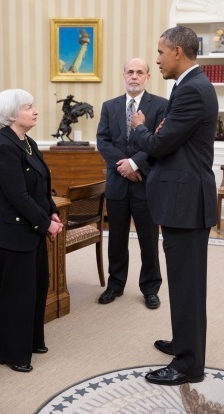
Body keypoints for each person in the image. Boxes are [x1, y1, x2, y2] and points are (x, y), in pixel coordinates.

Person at [131, 26, 218, 385]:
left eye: (160, 52)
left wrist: (140, 128)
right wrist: (157, 132)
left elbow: (161, 143)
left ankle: (189, 365)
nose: (157, 59)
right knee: (183, 282)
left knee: (187, 285)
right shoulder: (188, 87)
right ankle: (185, 344)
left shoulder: (193, 90)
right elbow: (169, 138)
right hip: (182, 201)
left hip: (186, 204)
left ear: (178, 52)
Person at [0, 89, 63, 373]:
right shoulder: (4, 146)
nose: (35, 111)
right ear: (12, 113)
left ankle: (31, 340)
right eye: (29, 107)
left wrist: (51, 209)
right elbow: (18, 196)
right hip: (11, 233)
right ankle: (12, 352)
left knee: (38, 286)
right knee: (17, 294)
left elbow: (41, 185)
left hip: (30, 231)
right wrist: (46, 223)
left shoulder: (26, 142)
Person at [97, 58, 168, 308]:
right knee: (116, 238)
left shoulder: (161, 105)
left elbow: (159, 142)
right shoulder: (109, 106)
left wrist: (135, 164)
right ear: (123, 75)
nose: (134, 76)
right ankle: (115, 285)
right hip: (117, 182)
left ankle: (150, 288)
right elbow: (103, 142)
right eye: (130, 72)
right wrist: (125, 166)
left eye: (139, 72)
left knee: (149, 240)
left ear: (148, 77)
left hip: (146, 183)